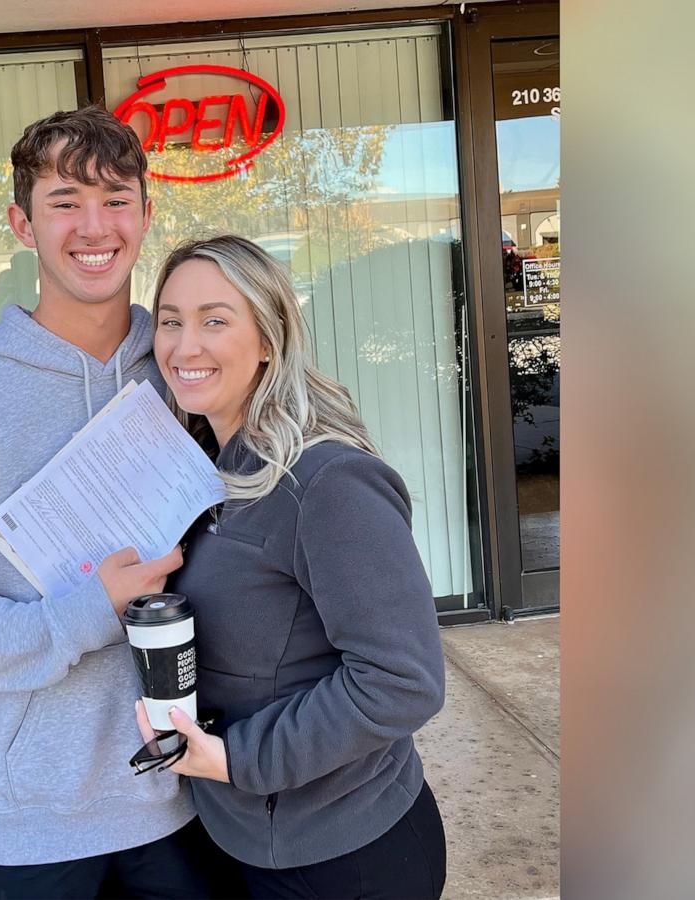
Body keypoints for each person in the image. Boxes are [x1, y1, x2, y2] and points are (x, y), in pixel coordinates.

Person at [0, 107, 223, 899]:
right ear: (22, 223)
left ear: (147, 214)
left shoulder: (190, 375)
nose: (93, 226)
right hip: (32, 828)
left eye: (115, 198)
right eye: (65, 201)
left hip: (187, 800)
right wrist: (89, 609)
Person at [138, 235, 449, 898]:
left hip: (346, 855)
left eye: (215, 320)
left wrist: (236, 759)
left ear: (270, 337)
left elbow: (403, 681)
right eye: (171, 320)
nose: (185, 346)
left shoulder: (327, 481)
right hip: (244, 837)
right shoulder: (204, 472)